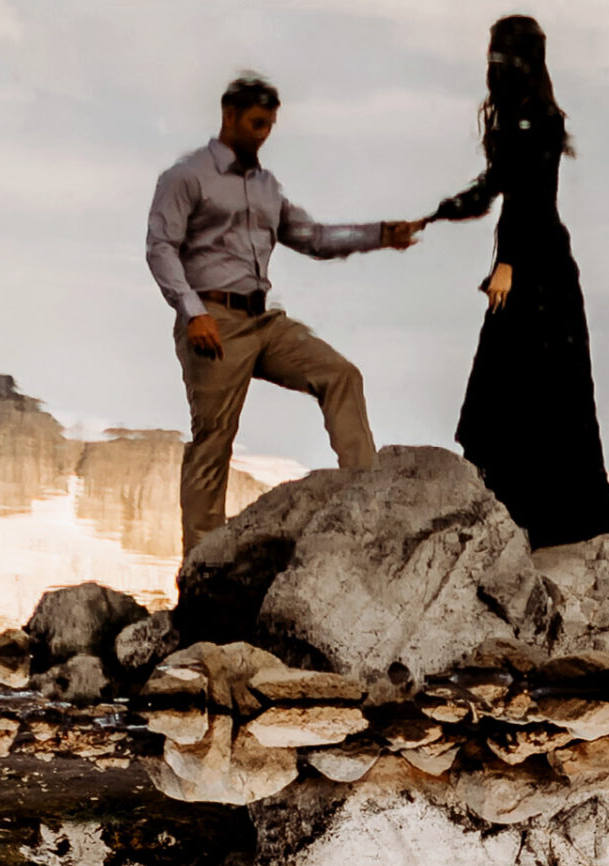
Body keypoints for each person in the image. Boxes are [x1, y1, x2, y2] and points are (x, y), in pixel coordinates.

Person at [146, 75, 427, 558]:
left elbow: (313, 238)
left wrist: (381, 233)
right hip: (213, 318)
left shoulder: (267, 186)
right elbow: (160, 248)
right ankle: (200, 565)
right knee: (213, 440)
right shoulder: (186, 177)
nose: (263, 134)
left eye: (271, 125)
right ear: (229, 115)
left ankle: (365, 497)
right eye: (256, 123)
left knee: (340, 375)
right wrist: (192, 312)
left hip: (263, 320)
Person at [424, 16, 609, 549]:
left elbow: (530, 198)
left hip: (541, 277)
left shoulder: (540, 121)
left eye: (505, 60)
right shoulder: (519, 120)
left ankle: (553, 521)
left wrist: (507, 262)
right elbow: (495, 187)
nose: (496, 71)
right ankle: (529, 513)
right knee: (518, 390)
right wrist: (439, 214)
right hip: (532, 273)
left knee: (532, 390)